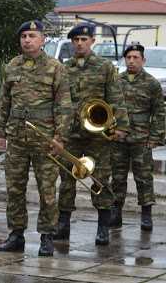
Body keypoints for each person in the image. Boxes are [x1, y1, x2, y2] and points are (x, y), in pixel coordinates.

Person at [0, 20, 73, 257]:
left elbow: (64, 105)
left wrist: (60, 138)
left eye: (32, 36)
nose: (27, 40)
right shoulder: (13, 65)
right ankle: (16, 234)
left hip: (45, 138)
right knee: (14, 188)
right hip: (17, 137)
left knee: (47, 189)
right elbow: (3, 100)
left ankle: (47, 237)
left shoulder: (54, 67)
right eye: (24, 36)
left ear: (43, 39)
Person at [54, 22, 130, 245]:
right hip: (71, 131)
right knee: (67, 177)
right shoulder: (64, 67)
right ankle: (63, 224)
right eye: (76, 40)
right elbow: (58, 100)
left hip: (97, 133)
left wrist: (122, 126)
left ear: (92, 41)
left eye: (84, 40)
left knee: (100, 178)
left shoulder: (105, 66)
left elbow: (115, 97)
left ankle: (103, 228)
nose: (79, 43)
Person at [110, 44, 164, 231]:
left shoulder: (151, 84)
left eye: (135, 57)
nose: (131, 61)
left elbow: (159, 113)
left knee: (143, 177)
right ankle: (115, 211)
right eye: (128, 57)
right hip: (119, 138)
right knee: (117, 176)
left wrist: (156, 136)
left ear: (143, 60)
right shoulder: (117, 81)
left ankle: (146, 213)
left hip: (141, 138)